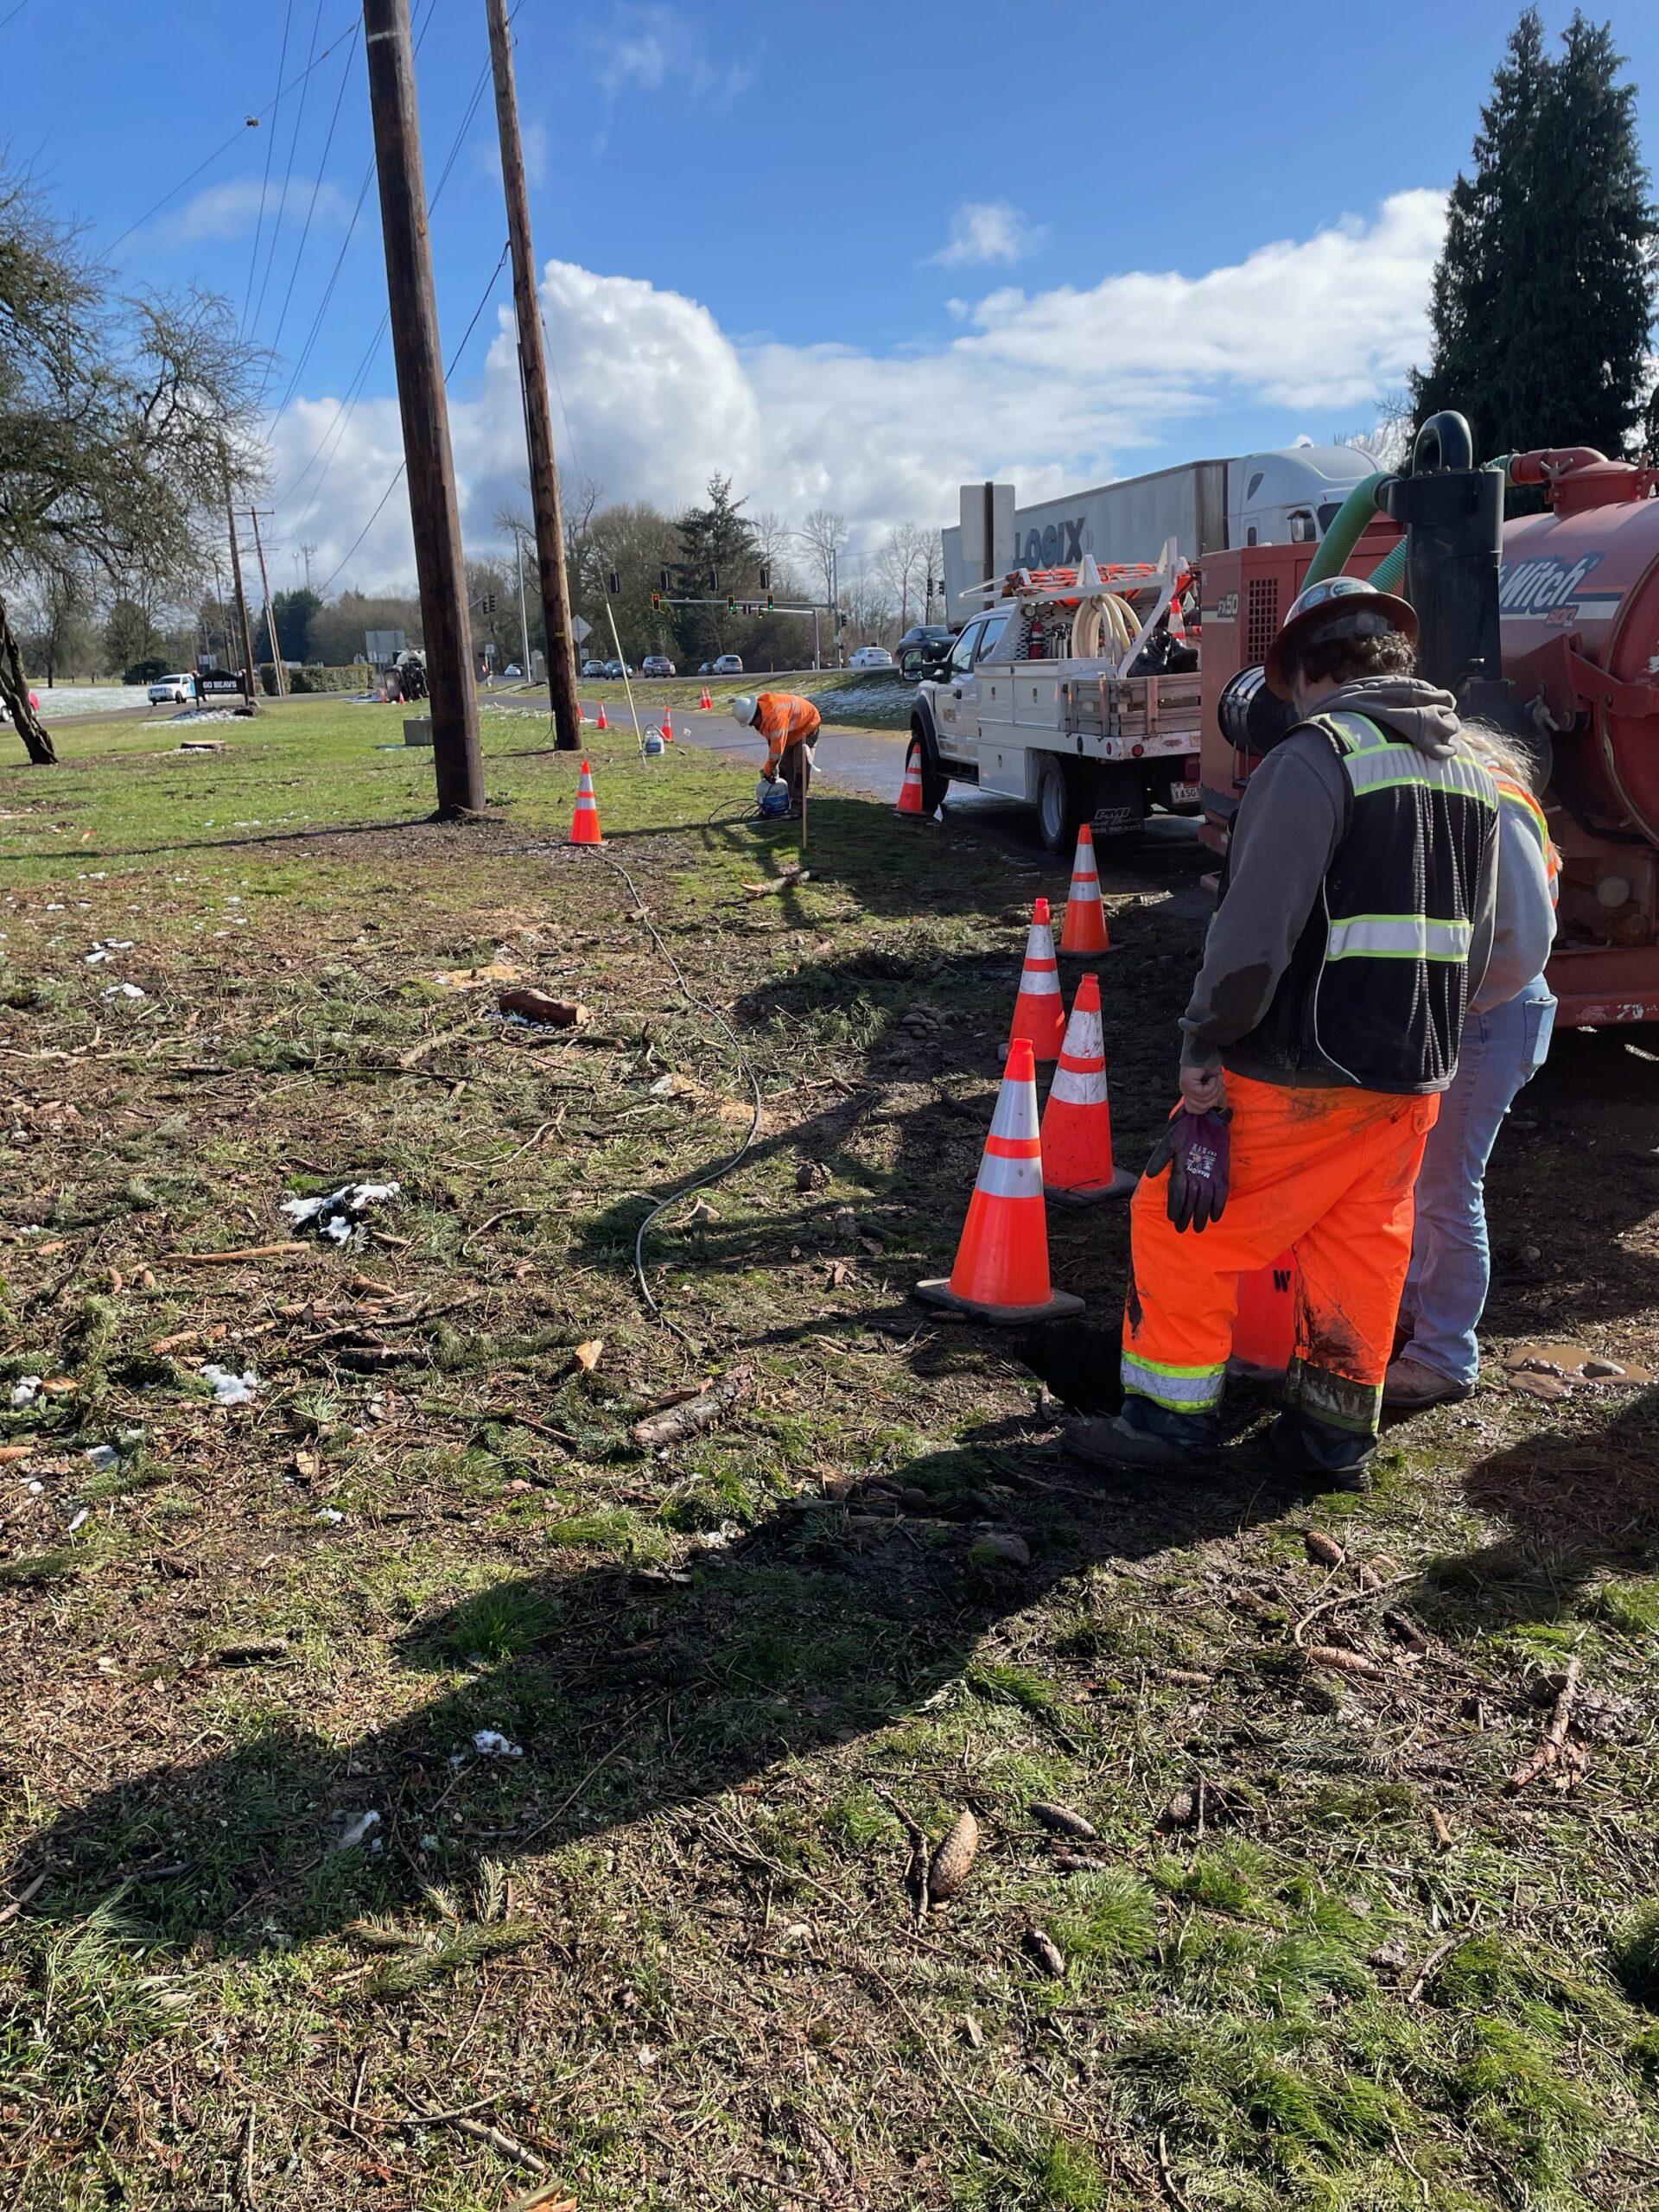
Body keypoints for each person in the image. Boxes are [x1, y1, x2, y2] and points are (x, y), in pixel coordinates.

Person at [1066, 575, 1511, 1486]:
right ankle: (1330, 1439)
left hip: (1300, 1066)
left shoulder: (1317, 757)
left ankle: (1167, 1421)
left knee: (1176, 1217)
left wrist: (1205, 1039)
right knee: (1362, 1241)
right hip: (1415, 1071)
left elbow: (1253, 932)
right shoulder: (1472, 769)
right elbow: (1481, 937)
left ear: (1305, 669)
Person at [1384, 733, 1559, 1408]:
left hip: (1486, 1018)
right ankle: (1417, 1317)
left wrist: (1454, 1009)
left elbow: (1524, 946)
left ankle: (1444, 1355)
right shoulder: (1483, 792)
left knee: (1448, 1190)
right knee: (1431, 1183)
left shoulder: (1493, 800)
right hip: (1477, 1015)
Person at [732, 691, 820, 816]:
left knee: (800, 765)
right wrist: (773, 768)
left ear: (755, 715)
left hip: (807, 725)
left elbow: (777, 749)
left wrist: (768, 770)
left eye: (752, 723)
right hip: (790, 731)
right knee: (785, 767)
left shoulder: (776, 715)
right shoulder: (763, 713)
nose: (753, 726)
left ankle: (798, 807)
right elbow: (773, 741)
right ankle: (786, 802)